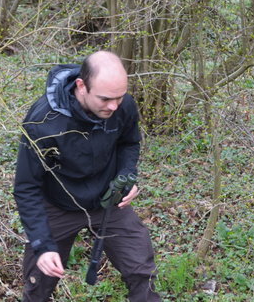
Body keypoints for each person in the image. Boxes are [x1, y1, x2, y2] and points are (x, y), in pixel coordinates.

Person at [13, 51, 161, 302]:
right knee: (38, 282)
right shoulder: (43, 121)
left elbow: (129, 142)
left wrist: (127, 175)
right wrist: (42, 244)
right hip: (58, 205)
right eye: (105, 99)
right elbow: (26, 187)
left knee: (141, 270)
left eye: (119, 97)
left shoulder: (122, 105)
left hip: (107, 200)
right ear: (81, 86)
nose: (114, 106)